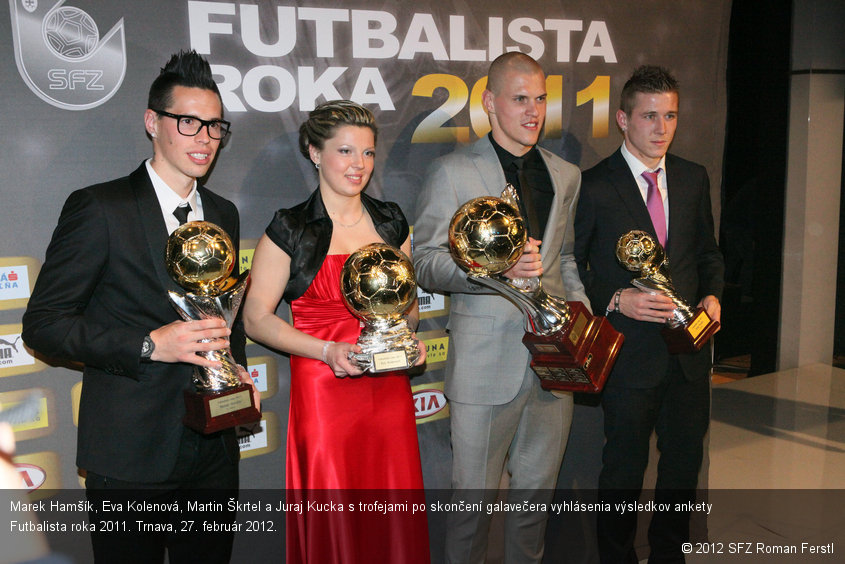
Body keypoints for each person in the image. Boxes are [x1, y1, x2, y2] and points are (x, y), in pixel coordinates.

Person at [21, 50, 256, 564]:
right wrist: (150, 345)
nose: (204, 138)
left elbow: (223, 315)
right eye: (188, 122)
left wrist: (237, 376)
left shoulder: (223, 213)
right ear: (153, 122)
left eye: (216, 126)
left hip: (213, 447)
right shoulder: (101, 207)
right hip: (130, 452)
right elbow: (43, 325)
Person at [413, 52, 588, 563]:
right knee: (471, 512)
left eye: (540, 99)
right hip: (484, 366)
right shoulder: (451, 173)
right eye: (519, 99)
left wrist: (579, 321)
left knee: (534, 504)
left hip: (554, 365)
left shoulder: (566, 175)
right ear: (489, 103)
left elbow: (567, 259)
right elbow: (424, 263)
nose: (533, 111)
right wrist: (493, 269)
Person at [242, 100, 429, 563]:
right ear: (314, 152)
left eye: (367, 153)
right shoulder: (290, 228)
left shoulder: (391, 221)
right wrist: (326, 352)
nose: (358, 165)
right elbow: (255, 318)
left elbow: (407, 308)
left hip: (387, 389)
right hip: (325, 389)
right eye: (345, 151)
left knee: (392, 505)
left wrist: (405, 339)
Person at [573, 65, 725, 563]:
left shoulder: (693, 177)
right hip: (628, 356)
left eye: (671, 116)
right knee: (622, 473)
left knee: (682, 470)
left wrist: (713, 296)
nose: (662, 128)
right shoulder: (593, 186)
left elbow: (707, 253)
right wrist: (616, 299)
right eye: (650, 116)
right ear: (623, 118)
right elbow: (571, 265)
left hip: (689, 354)